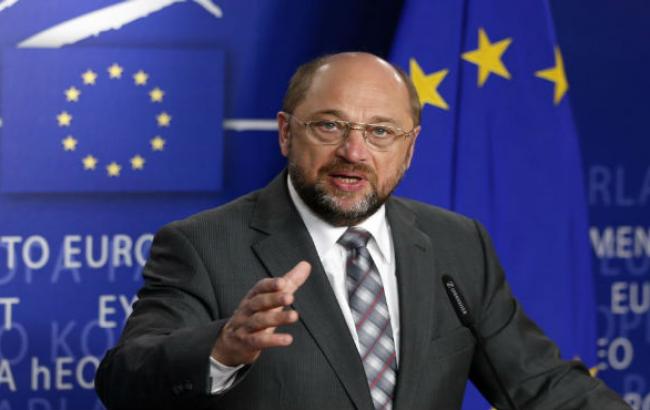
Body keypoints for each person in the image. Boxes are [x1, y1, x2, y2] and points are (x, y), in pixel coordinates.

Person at [95, 52, 630, 410]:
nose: (354, 152)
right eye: (330, 125)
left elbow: (540, 385)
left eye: (380, 131)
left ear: (409, 147)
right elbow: (123, 381)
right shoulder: (203, 245)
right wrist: (222, 348)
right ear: (286, 133)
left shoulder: (457, 243)